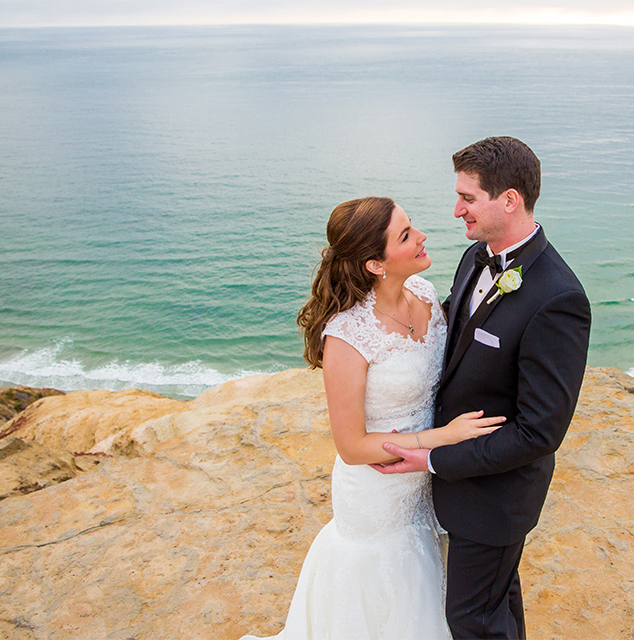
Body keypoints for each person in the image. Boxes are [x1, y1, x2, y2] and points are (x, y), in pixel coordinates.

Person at [240, 196, 504, 640]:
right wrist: (444, 437)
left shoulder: (424, 293)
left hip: (426, 482)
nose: (421, 237)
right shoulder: (347, 334)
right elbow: (351, 445)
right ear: (375, 265)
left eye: (412, 225)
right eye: (405, 235)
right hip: (378, 495)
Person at [375, 137, 592, 639]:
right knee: (496, 603)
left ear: (509, 200)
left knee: (471, 619)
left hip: (494, 497)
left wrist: (433, 458)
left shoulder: (558, 298)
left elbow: (539, 433)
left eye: (468, 199)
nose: (456, 211)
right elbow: (453, 328)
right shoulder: (476, 257)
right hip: (460, 489)